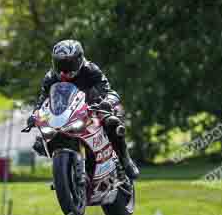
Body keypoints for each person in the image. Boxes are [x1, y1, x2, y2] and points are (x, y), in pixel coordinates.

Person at [28, 39, 140, 181]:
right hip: (66, 116)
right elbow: (43, 99)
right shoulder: (51, 77)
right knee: (41, 140)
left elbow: (107, 89)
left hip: (93, 109)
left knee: (112, 122)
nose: (65, 69)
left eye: (69, 63)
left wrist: (106, 102)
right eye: (60, 64)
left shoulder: (90, 70)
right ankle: (66, 174)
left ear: (79, 59)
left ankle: (126, 160)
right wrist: (34, 115)